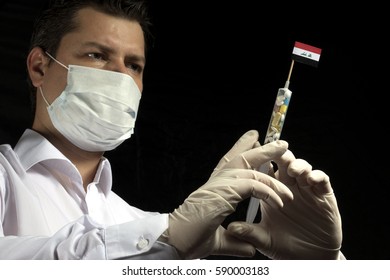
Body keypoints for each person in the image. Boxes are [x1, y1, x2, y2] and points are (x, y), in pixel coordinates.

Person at [0, 0, 343, 260]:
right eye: (98, 55)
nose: (121, 76)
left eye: (134, 65)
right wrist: (169, 236)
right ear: (39, 67)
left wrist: (322, 264)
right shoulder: (159, 234)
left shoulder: (138, 223)